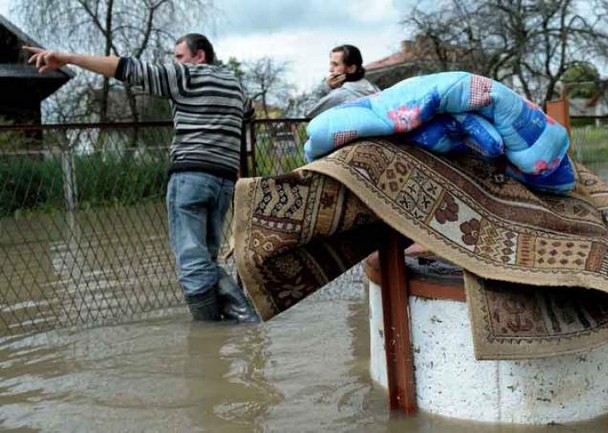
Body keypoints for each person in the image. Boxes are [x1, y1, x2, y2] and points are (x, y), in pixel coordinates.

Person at [24, 34, 259, 323]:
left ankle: (228, 325)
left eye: (179, 56)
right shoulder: (234, 84)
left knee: (191, 263)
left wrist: (68, 58)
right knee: (205, 260)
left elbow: (124, 67)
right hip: (223, 182)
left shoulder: (185, 76)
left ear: (200, 57)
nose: (176, 61)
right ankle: (228, 332)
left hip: (190, 177)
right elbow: (250, 111)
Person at [303, 44, 379, 119]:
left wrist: (324, 87)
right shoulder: (374, 89)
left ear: (351, 69)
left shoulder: (341, 95)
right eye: (331, 65)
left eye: (335, 65)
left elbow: (309, 112)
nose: (331, 70)